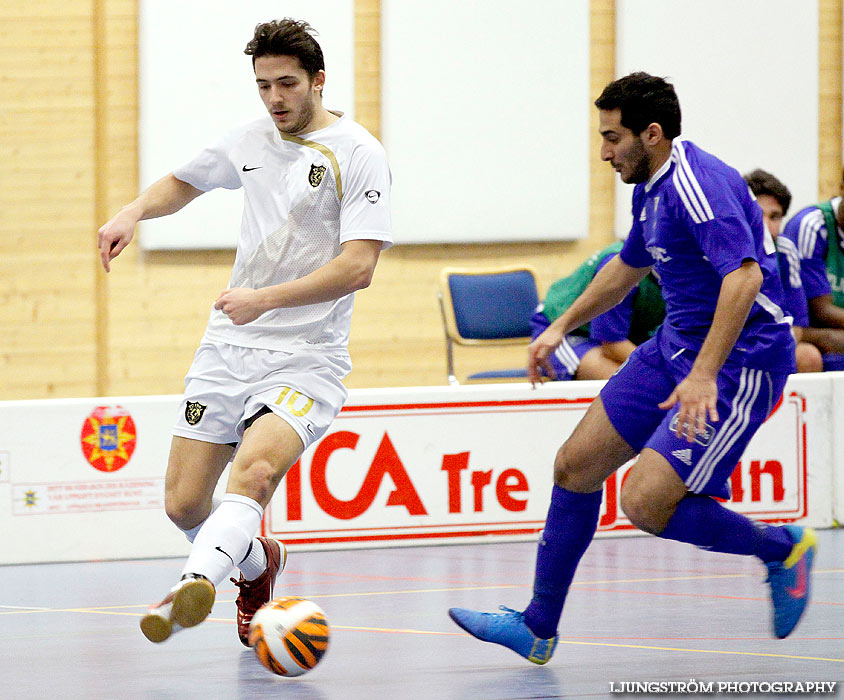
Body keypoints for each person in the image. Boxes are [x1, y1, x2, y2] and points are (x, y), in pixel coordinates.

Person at [448, 72, 816, 664]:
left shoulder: (699, 184)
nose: (603, 152)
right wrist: (559, 327)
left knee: (645, 504)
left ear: (652, 133)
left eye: (613, 138)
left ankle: (782, 549)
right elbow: (628, 267)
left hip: (740, 361)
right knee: (575, 465)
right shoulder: (652, 183)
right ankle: (538, 626)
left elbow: (744, 276)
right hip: (674, 346)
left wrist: (703, 375)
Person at [97, 18, 392, 645]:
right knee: (183, 504)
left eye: (287, 84)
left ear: (318, 81)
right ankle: (259, 565)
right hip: (229, 347)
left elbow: (358, 265)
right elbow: (184, 182)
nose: (275, 98)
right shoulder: (251, 138)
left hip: (307, 357)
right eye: (263, 86)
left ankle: (190, 582)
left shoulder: (359, 153)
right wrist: (132, 212)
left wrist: (265, 299)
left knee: (254, 475)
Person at [531, 241, 665, 380]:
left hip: (626, 336)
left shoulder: (681, 272)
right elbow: (612, 345)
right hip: (569, 332)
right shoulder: (627, 266)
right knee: (638, 385)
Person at [743, 169, 823, 372]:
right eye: (758, 215)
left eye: (775, 217)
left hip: (768, 343)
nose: (766, 227)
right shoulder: (721, 246)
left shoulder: (786, 250)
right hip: (718, 344)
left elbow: (796, 327)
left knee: (808, 356)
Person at [780, 168, 844, 366]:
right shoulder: (812, 226)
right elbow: (820, 311)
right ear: (842, 189)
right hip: (805, 327)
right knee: (809, 355)